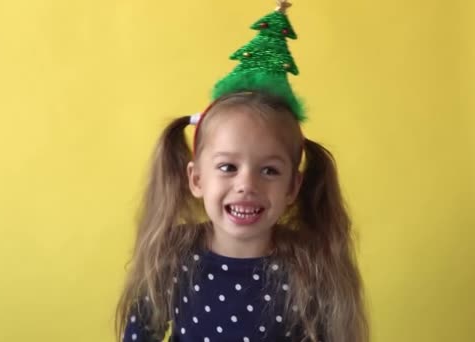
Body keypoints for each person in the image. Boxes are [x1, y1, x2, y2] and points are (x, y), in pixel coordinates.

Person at [116, 2, 369, 342]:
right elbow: (139, 334)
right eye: (227, 167)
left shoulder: (310, 267)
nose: (246, 184)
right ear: (197, 179)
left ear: (293, 186)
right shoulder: (172, 257)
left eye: (269, 170)